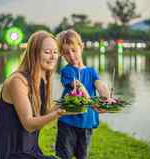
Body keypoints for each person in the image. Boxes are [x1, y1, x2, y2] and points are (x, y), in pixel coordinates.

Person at [0, 30, 65, 159]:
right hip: (8, 153)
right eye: (47, 52)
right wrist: (58, 114)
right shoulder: (18, 81)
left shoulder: (42, 79)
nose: (52, 57)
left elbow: (44, 113)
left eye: (55, 52)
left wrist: (66, 103)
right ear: (34, 54)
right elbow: (28, 124)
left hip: (29, 151)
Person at [55, 29, 115, 159]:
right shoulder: (67, 71)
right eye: (66, 53)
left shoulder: (91, 71)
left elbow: (100, 84)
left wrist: (107, 98)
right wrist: (92, 103)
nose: (71, 55)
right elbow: (79, 87)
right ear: (62, 55)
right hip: (68, 121)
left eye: (73, 50)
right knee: (64, 155)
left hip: (87, 123)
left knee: (82, 156)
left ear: (81, 47)